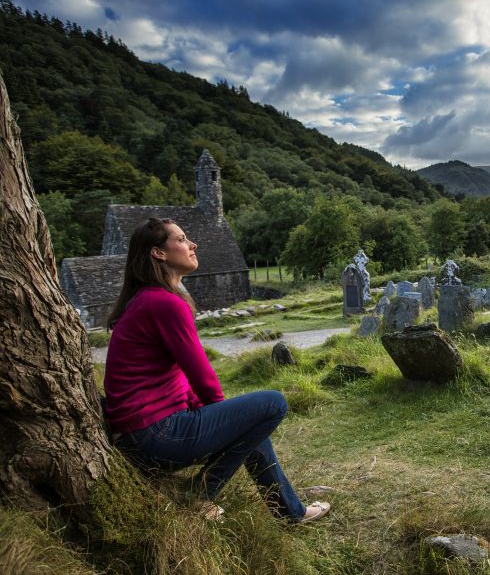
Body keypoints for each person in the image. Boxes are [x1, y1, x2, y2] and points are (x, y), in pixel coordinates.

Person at [103, 217, 329, 523]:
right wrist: (223, 419)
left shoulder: (147, 300)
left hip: (143, 436)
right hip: (156, 436)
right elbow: (201, 375)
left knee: (249, 420)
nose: (192, 244)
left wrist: (226, 422)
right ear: (158, 253)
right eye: (182, 239)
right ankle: (200, 493)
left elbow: (179, 381)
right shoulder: (163, 304)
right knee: (273, 403)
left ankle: (290, 513)